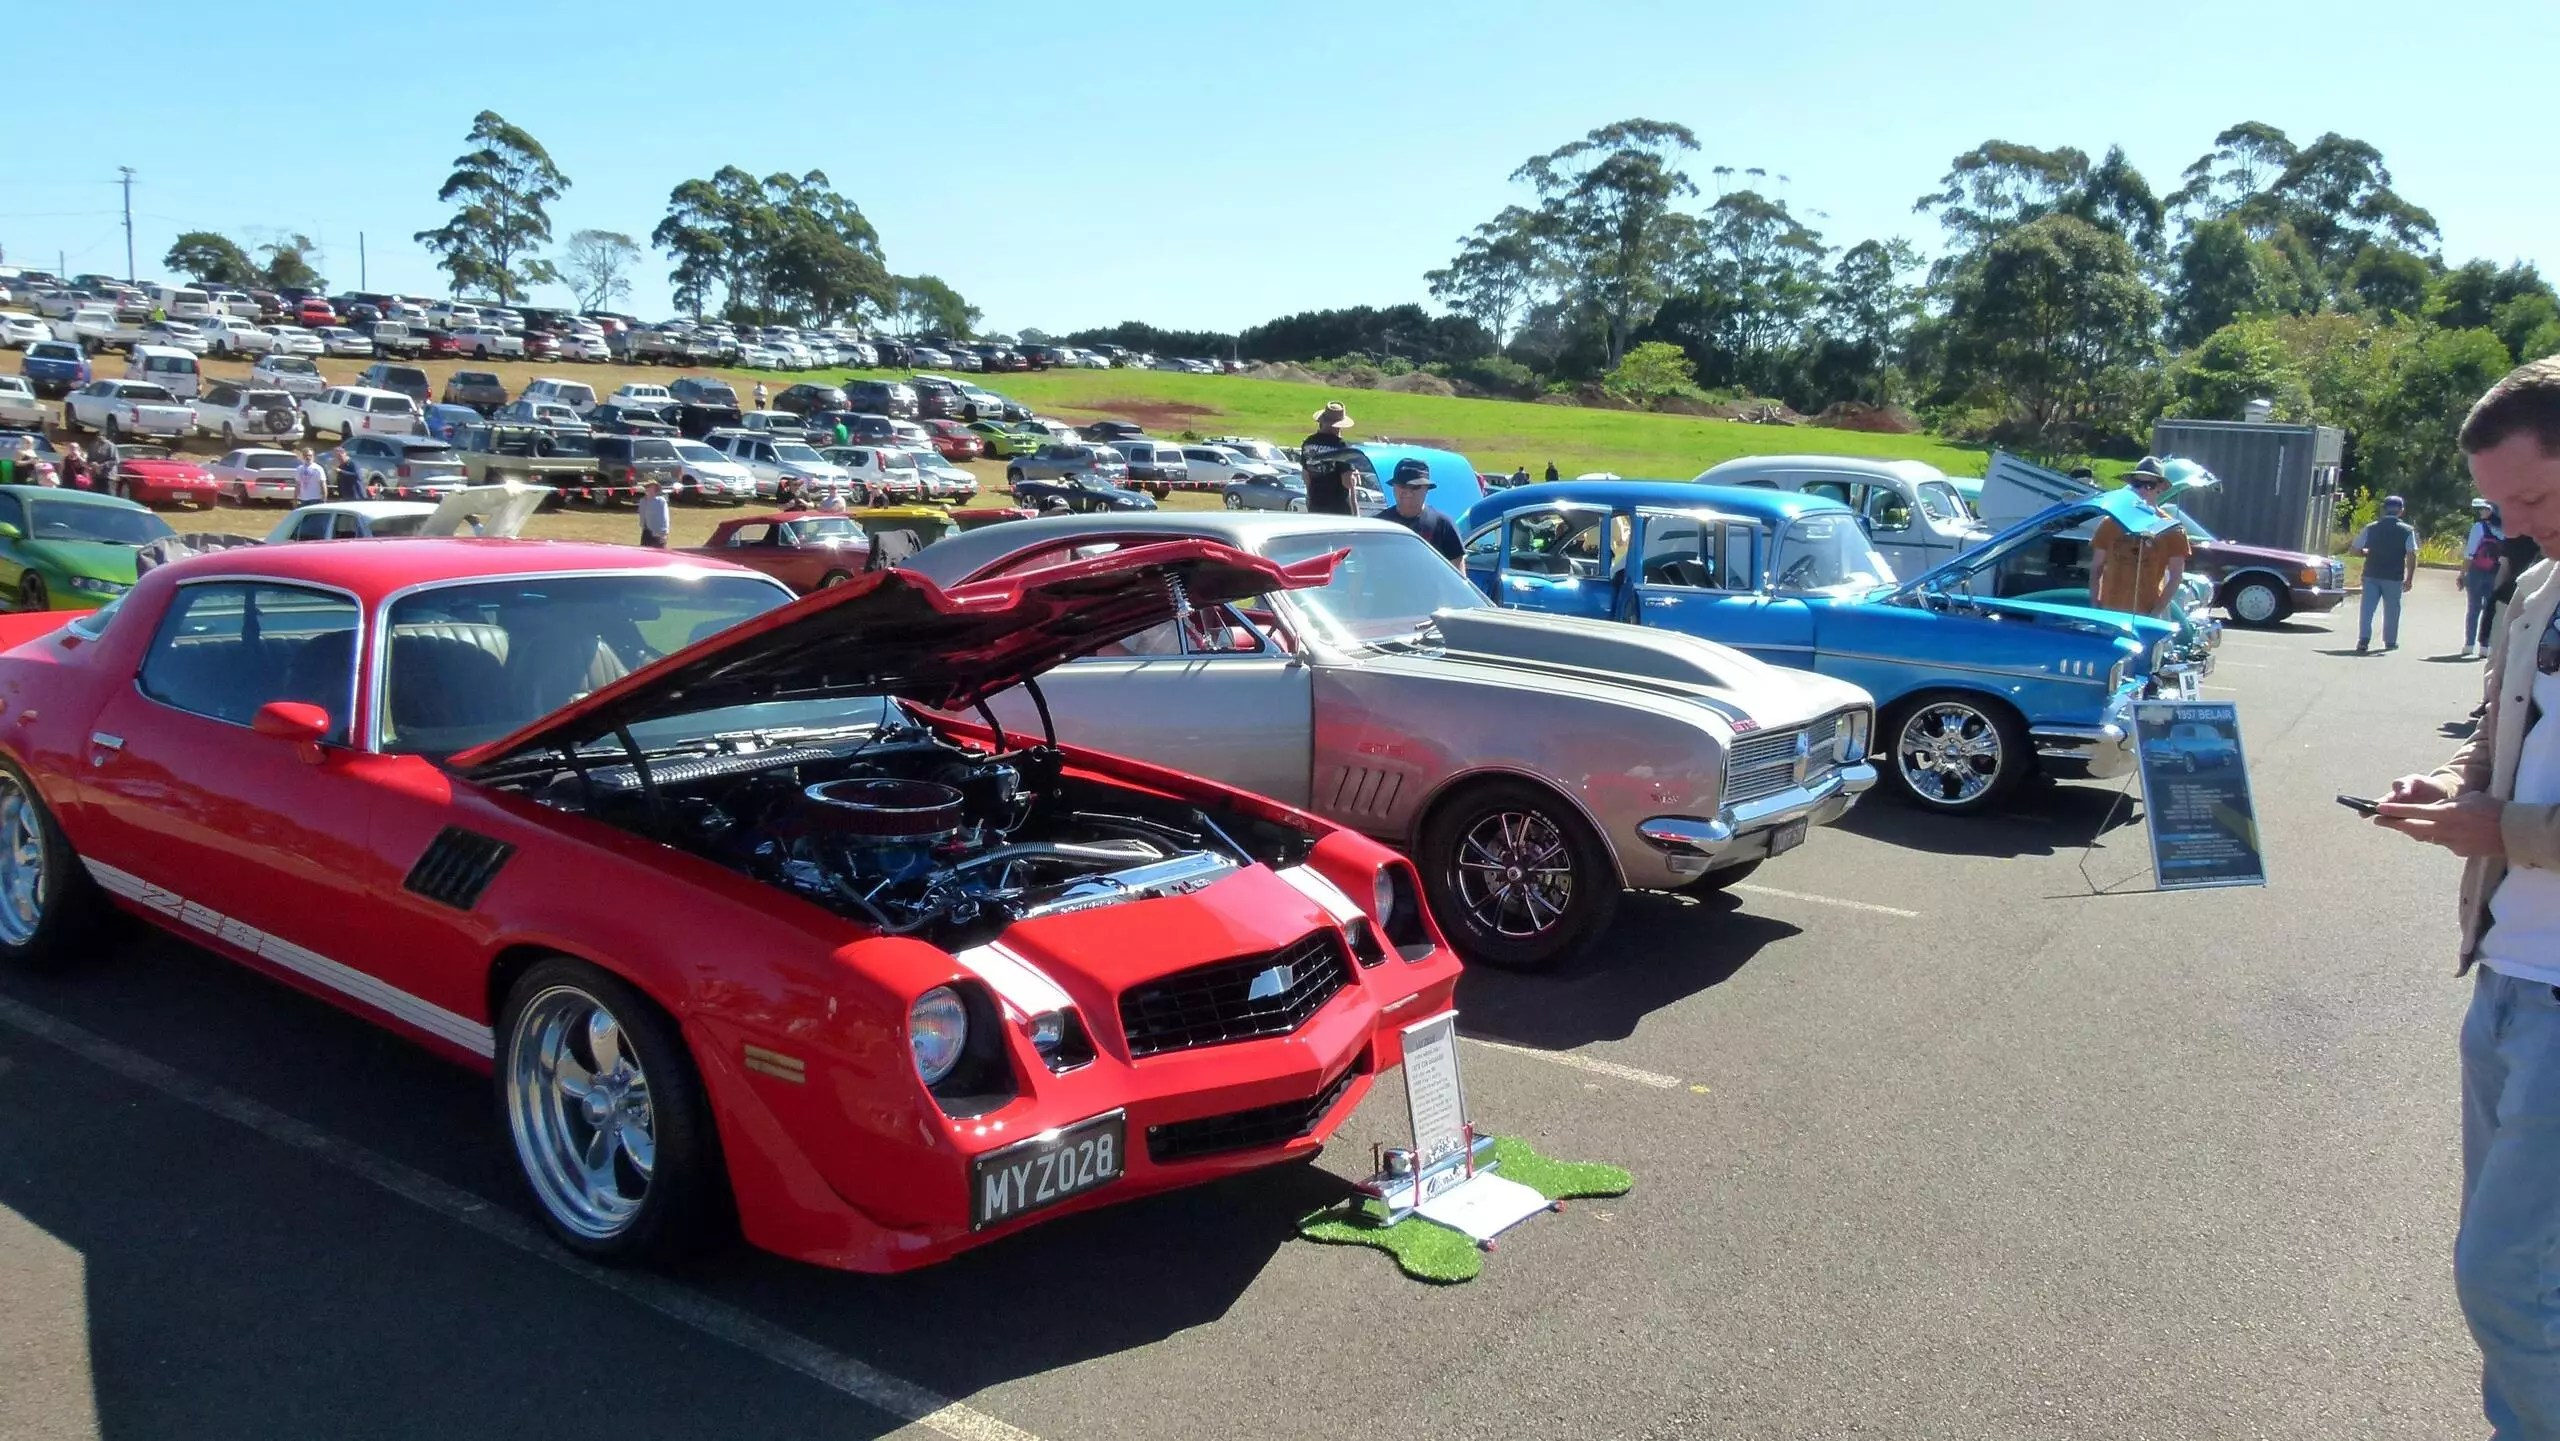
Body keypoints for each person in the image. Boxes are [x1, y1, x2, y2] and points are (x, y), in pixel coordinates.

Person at [2372, 356, 2560, 1437]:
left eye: (2534, 497)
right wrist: (2445, 788)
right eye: (2499, 506)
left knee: (2500, 1276)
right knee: (2527, 1276)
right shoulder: (2535, 591)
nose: (2518, 527)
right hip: (2503, 983)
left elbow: (2515, 813)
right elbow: (2498, 746)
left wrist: (2506, 833)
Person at [2086, 457, 2192, 618]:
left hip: (2147, 614)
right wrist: (2095, 603)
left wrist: (2156, 612)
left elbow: (2176, 576)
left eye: (2149, 485)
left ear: (2160, 488)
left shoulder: (2172, 529)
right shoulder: (2110, 523)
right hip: (2109, 612)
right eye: (2137, 484)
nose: (2143, 490)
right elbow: (2096, 567)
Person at [2353, 494, 2421, 653]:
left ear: (2384, 509)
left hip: (2371, 573)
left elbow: (2355, 549)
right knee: (2392, 609)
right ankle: (2390, 640)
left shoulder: (2371, 528)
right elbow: (2411, 554)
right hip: (2393, 575)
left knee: (2367, 608)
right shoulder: (2407, 530)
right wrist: (2409, 578)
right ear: (2401, 511)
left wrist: (2366, 552)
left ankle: (2364, 639)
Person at [1374, 458, 1462, 562]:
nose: (1408, 491)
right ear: (1394, 487)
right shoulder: (1377, 525)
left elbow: (1457, 572)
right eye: (1402, 485)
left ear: (1427, 488)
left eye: (1415, 487)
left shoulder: (1443, 525)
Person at [2464, 498, 2506, 659]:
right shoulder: (2505, 529)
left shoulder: (2478, 527)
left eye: (2484, 509)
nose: (2481, 512)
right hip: (2496, 572)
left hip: (2477, 571)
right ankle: (2485, 646)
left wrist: (2463, 574)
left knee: (2473, 608)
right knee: (2491, 611)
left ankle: (2469, 644)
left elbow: (2470, 553)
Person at [1299, 401, 1357, 515]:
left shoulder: (1308, 443)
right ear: (1339, 426)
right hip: (1339, 510)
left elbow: (1306, 477)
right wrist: (1353, 478)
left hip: (1315, 506)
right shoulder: (1342, 446)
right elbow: (1347, 483)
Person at [636, 480, 670, 548]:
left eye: (650, 487)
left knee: (659, 554)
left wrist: (663, 534)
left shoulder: (660, 501)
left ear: (655, 489)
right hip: (646, 532)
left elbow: (664, 517)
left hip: (658, 532)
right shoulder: (642, 501)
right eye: (646, 487)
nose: (647, 489)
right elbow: (642, 516)